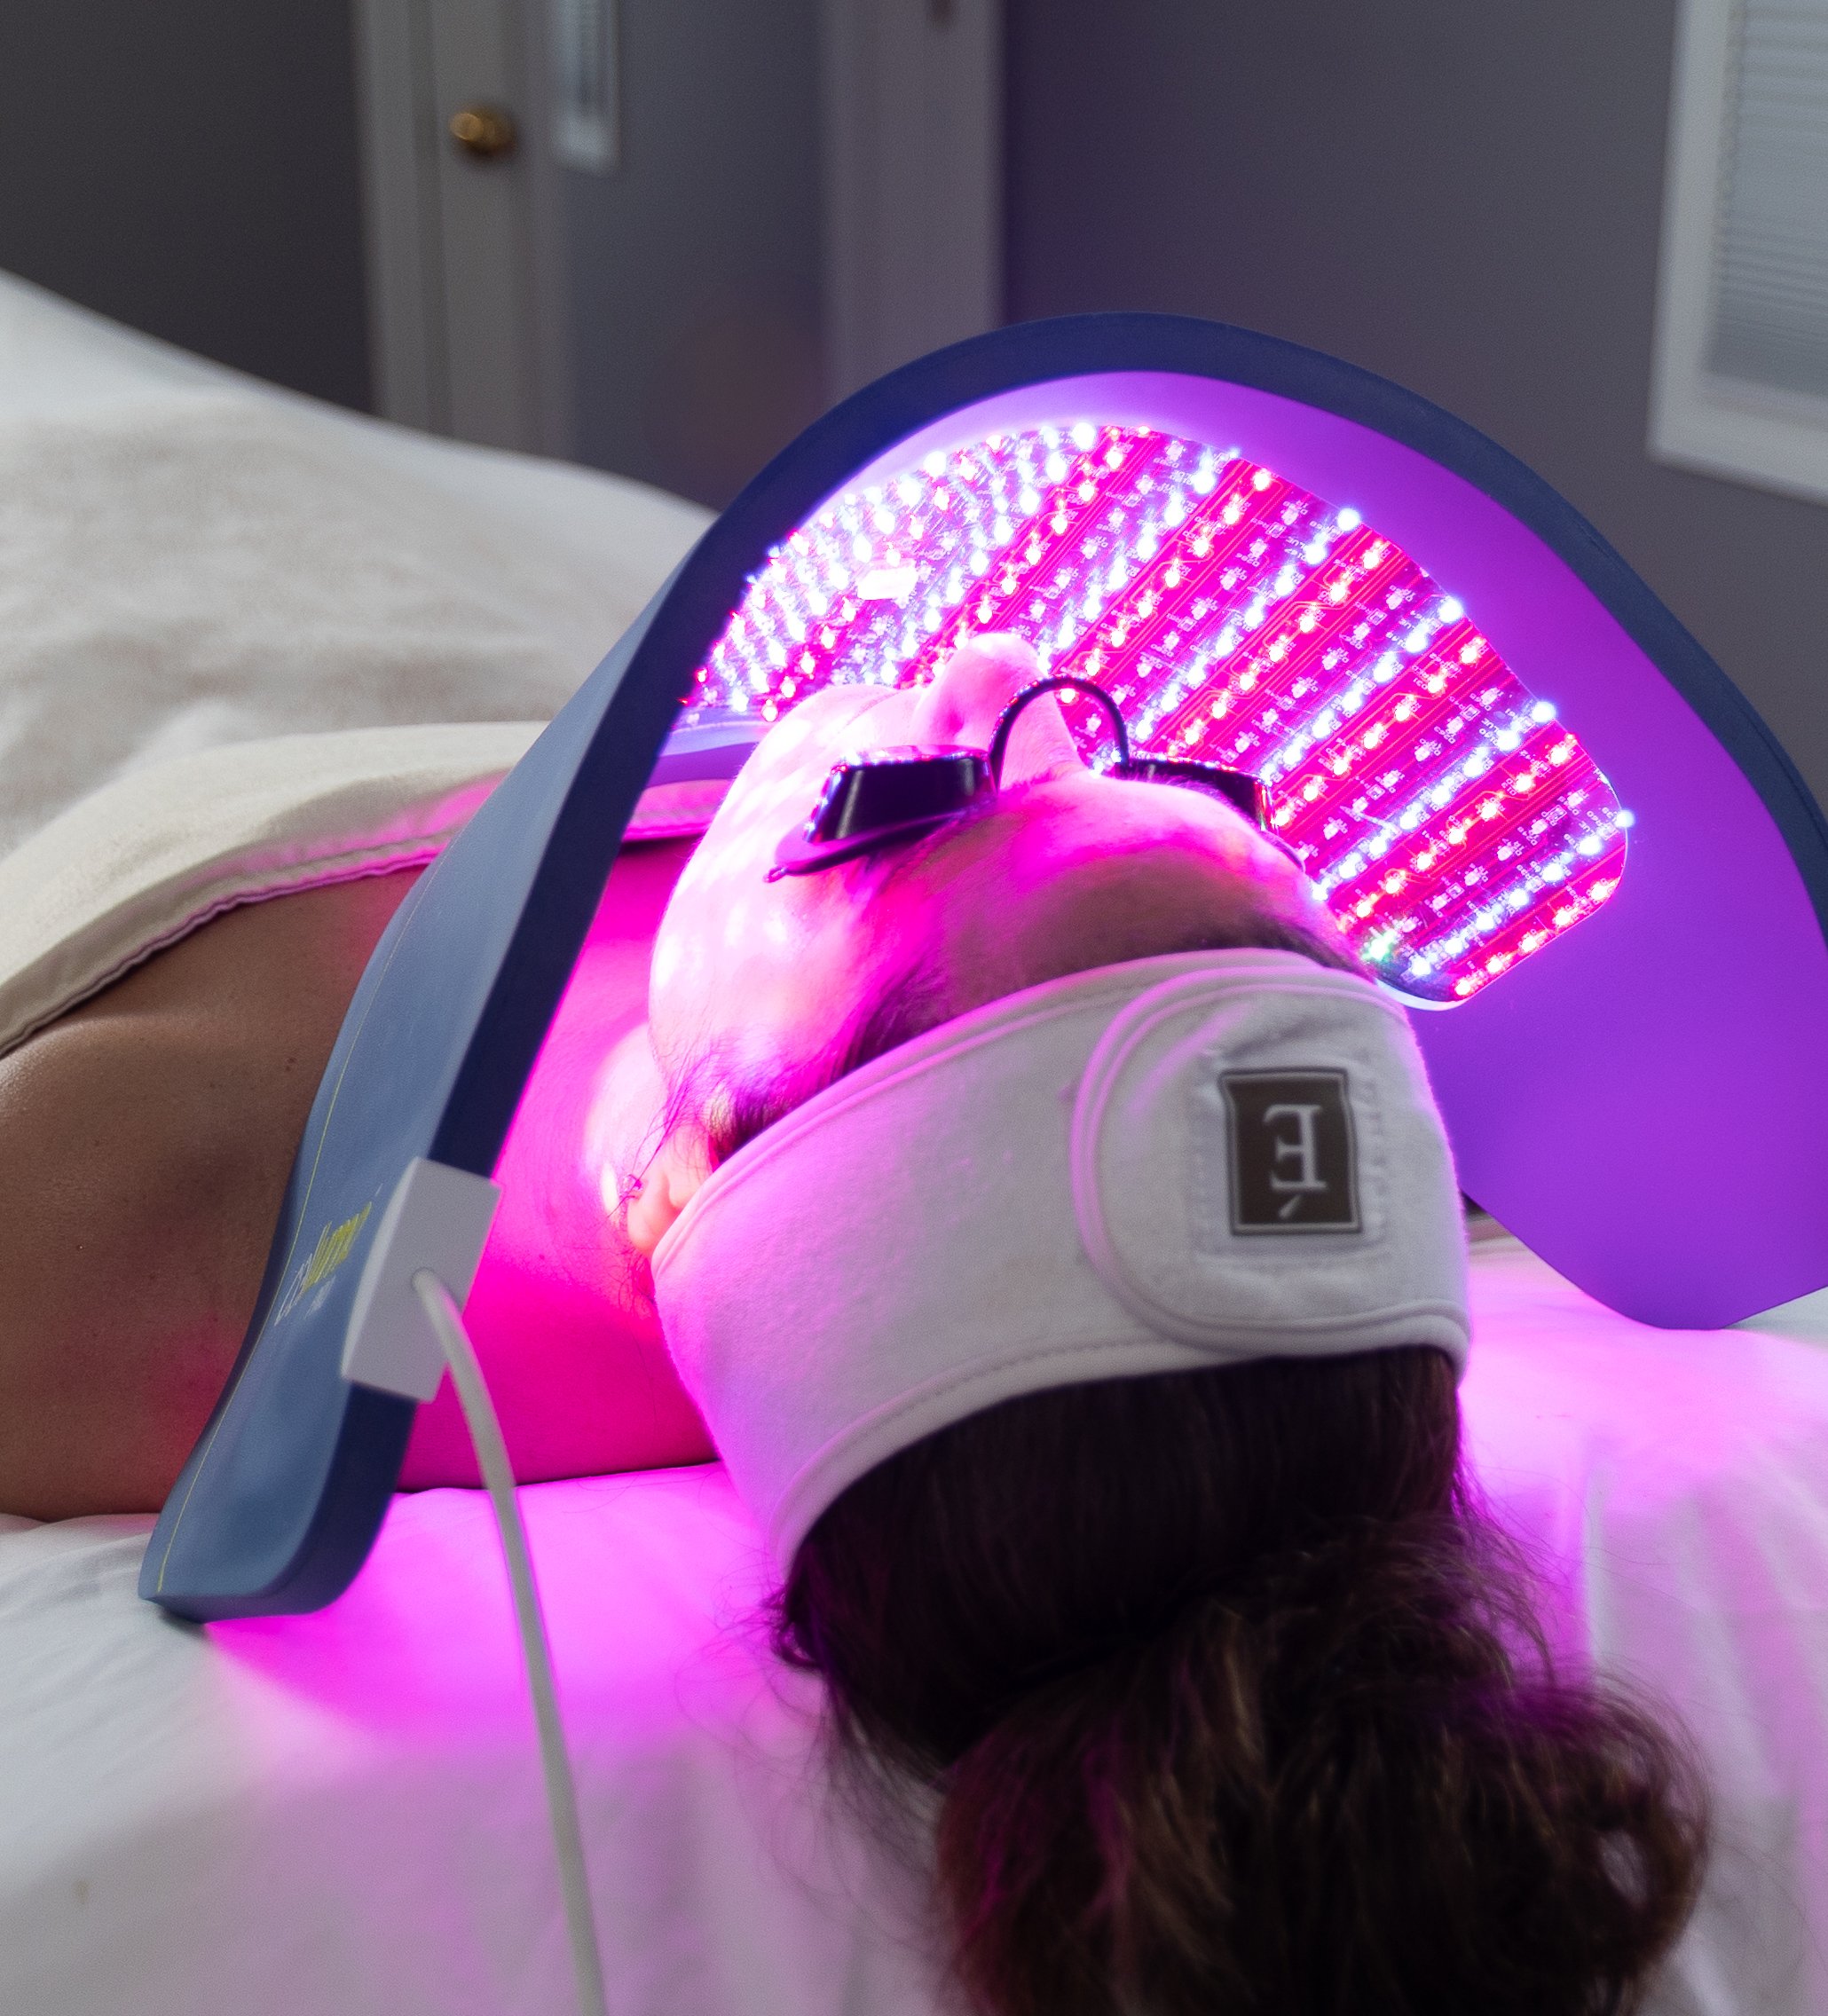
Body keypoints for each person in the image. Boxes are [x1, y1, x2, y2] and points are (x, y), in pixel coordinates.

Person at [0, 633, 1705, 2011]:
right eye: (1182, 779)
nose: (994, 670)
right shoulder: (1187, 1165)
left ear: (680, 1184)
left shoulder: (104, 1249)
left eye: (896, 807)